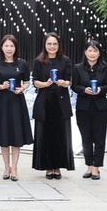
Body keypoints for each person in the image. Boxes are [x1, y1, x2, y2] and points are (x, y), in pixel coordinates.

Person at [0, 34, 33, 181]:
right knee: (4, 135)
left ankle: (15, 168)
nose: (9, 49)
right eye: (6, 46)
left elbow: (27, 82)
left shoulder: (22, 63)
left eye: (11, 46)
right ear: (1, 47)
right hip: (2, 102)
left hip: (17, 101)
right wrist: (1, 86)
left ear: (16, 47)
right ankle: (6, 167)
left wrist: (22, 88)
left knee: (16, 135)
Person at [31, 32, 75, 179]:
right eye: (49, 44)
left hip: (60, 101)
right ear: (45, 45)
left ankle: (58, 166)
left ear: (59, 45)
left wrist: (64, 83)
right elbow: (35, 81)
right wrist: (45, 84)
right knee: (46, 135)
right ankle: (48, 167)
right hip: (45, 101)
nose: (52, 47)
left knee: (60, 135)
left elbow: (69, 80)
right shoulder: (38, 61)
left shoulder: (65, 60)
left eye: (55, 44)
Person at [72, 40, 107, 180]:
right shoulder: (78, 68)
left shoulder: (105, 68)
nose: (92, 54)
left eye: (95, 51)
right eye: (90, 50)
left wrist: (100, 90)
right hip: (83, 108)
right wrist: (84, 90)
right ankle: (89, 165)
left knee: (99, 139)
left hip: (100, 108)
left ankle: (96, 167)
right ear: (85, 52)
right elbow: (74, 86)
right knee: (86, 138)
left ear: (99, 53)